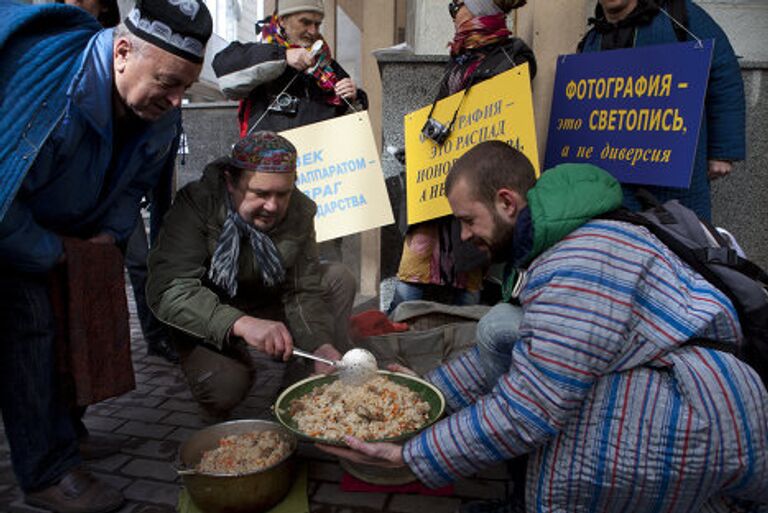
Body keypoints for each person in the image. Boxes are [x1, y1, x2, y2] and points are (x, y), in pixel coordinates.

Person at [320, 141, 768, 512]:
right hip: (678, 385)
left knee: (569, 428)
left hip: (696, 409)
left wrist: (412, 455)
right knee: (504, 338)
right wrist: (428, 393)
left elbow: (532, 406)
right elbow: (517, 354)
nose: (463, 237)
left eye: (467, 220)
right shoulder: (553, 242)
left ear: (506, 202)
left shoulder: (580, 262)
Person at [0, 0, 212, 510]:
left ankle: (65, 433)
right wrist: (50, 252)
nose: (178, 100)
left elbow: (134, 188)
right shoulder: (45, 90)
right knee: (30, 324)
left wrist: (105, 239)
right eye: (168, 82)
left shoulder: (159, 110)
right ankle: (47, 469)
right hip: (12, 223)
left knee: (74, 317)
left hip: (67, 228)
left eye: (187, 86)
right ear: (122, 52)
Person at [146, 131, 356, 421]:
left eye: (282, 194)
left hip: (264, 298)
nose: (272, 206)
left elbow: (302, 290)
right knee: (224, 388)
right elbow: (169, 291)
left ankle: (298, 386)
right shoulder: (196, 204)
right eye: (260, 193)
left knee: (338, 277)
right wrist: (239, 324)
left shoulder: (300, 211)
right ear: (231, 182)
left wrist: (319, 342)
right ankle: (223, 377)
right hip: (208, 309)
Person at [390, 0, 535, 313]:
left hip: (474, 184)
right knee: (410, 280)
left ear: (480, 8)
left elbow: (502, 116)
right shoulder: (459, 57)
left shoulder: (513, 55)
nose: (454, 13)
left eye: (459, 4)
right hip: (438, 186)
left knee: (467, 288)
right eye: (451, 6)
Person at [578, 0, 745, 222]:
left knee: (680, 243)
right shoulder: (592, 38)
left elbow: (725, 74)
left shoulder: (681, 16)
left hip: (675, 183)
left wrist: (722, 151)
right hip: (615, 183)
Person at [212, 0, 367, 137]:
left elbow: (351, 124)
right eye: (305, 22)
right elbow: (224, 70)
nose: (313, 31)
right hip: (268, 164)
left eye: (317, 24)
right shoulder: (262, 53)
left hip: (318, 163)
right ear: (283, 21)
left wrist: (353, 97)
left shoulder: (328, 68)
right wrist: (283, 56)